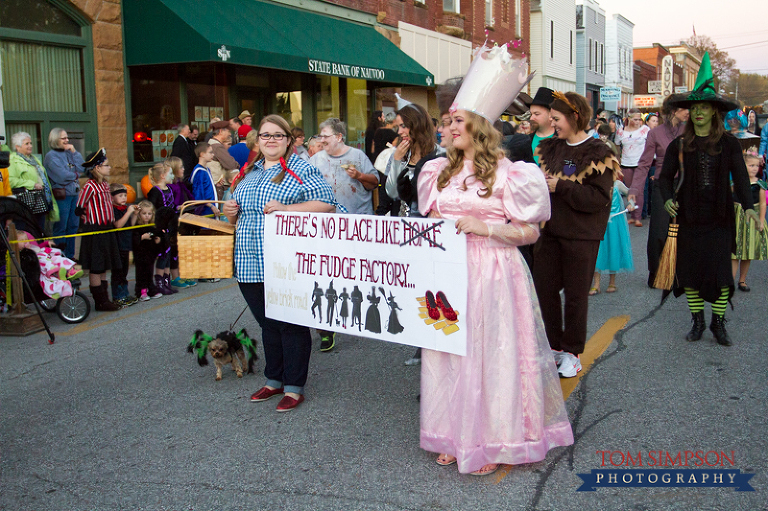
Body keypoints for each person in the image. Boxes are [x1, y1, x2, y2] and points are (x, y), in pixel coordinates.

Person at [416, 44, 572, 476]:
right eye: (447, 121)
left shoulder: (512, 174)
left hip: (494, 273)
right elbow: (430, 222)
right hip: (447, 273)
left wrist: (486, 228)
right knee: (447, 349)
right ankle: (452, 433)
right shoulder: (438, 172)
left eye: (457, 121)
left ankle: (494, 439)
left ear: (480, 127)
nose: (448, 128)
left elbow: (530, 231)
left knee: (493, 356)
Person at [222, 114, 342, 412]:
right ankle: (274, 379)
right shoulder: (248, 171)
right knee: (268, 324)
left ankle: (294, 386)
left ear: (288, 140)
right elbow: (236, 217)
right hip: (248, 261)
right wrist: (230, 211)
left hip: (286, 262)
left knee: (290, 323)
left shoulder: (301, 169)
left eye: (278, 135)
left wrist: (288, 208)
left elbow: (327, 204)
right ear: (258, 140)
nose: (271, 140)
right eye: (266, 135)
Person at [657, 52, 757, 347]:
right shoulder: (679, 144)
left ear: (715, 112)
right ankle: (698, 321)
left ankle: (718, 322)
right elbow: (664, 178)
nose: (698, 112)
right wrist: (666, 199)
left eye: (704, 107)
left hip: (719, 220)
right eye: (694, 107)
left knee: (722, 276)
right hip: (688, 219)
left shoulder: (729, 144)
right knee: (690, 275)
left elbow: (741, 178)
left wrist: (749, 207)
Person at [532, 91, 621, 378]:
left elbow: (598, 199)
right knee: (544, 290)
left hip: (582, 235)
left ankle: (572, 352)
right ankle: (553, 346)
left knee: (575, 296)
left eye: (556, 118)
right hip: (549, 232)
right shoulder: (550, 148)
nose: (552, 123)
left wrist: (561, 187)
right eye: (551, 118)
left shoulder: (599, 152)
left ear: (575, 117)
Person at [310, 117, 378, 351]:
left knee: (352, 275)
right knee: (324, 276)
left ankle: (359, 313)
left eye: (325, 136)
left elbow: (374, 183)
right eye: (319, 136)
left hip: (356, 225)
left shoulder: (357, 156)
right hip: (326, 228)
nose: (321, 140)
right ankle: (325, 329)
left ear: (339, 137)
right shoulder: (315, 160)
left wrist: (359, 176)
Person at [628, 95, 688, 287]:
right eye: (684, 108)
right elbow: (644, 164)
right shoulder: (655, 133)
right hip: (663, 185)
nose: (688, 112)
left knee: (684, 231)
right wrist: (635, 189)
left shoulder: (690, 130)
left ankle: (680, 273)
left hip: (686, 185)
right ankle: (656, 272)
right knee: (659, 231)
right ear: (673, 110)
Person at [75, 148, 123, 311]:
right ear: (97, 167)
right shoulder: (90, 186)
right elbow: (79, 207)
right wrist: (87, 219)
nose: (109, 168)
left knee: (104, 266)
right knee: (96, 267)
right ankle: (99, 301)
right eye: (106, 165)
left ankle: (105, 299)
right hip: (95, 230)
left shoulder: (105, 184)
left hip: (107, 228)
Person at [384, 102, 440, 217]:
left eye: (403, 126)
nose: (399, 132)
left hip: (431, 223)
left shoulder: (439, 154)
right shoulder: (398, 154)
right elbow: (391, 192)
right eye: (398, 127)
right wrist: (396, 161)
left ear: (417, 125)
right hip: (403, 222)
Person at [44, 128, 84, 258]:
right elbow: (62, 176)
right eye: (63, 138)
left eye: (67, 137)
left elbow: (82, 167)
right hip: (62, 195)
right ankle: (60, 257)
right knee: (61, 227)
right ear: (55, 139)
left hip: (74, 194)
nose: (67, 140)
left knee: (73, 226)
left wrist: (74, 152)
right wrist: (76, 174)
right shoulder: (51, 156)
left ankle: (70, 256)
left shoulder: (69, 153)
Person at [590, 178, 635, 295]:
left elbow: (629, 193)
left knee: (613, 249)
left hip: (614, 222)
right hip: (598, 222)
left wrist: (631, 203)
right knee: (597, 251)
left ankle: (612, 282)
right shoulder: (594, 182)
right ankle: (596, 284)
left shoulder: (617, 184)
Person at [732, 152, 768, 291]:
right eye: (751, 165)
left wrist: (761, 221)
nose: (754, 168)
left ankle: (742, 280)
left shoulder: (759, 185)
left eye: (756, 166)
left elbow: (763, 204)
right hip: (737, 217)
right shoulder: (735, 182)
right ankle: (730, 281)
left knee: (748, 252)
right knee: (735, 252)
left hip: (752, 219)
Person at [8, 131, 57, 231]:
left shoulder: (33, 159)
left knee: (39, 231)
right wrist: (32, 184)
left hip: (40, 202)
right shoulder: (12, 160)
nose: (30, 146)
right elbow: (11, 180)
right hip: (25, 204)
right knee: (27, 232)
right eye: (27, 144)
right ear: (17, 147)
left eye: (31, 143)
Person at [146, 162, 182, 294]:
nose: (173, 176)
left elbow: (170, 206)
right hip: (161, 228)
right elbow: (152, 209)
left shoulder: (169, 189)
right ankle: (159, 283)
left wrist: (177, 209)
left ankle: (167, 282)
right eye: (170, 174)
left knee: (169, 255)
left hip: (170, 227)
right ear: (162, 176)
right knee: (162, 255)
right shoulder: (154, 191)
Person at [615, 108, 651, 227]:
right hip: (626, 163)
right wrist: (618, 159)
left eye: (639, 119)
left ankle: (638, 216)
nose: (637, 122)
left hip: (640, 164)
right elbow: (617, 145)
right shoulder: (621, 131)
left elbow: (650, 145)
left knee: (639, 190)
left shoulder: (645, 129)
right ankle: (633, 213)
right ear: (628, 119)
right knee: (630, 190)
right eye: (635, 119)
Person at [110, 183, 139, 306]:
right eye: (120, 196)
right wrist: (128, 212)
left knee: (125, 271)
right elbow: (118, 225)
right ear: (112, 198)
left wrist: (135, 214)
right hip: (117, 245)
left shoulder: (125, 208)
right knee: (118, 272)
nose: (124, 198)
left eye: (125, 195)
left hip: (126, 244)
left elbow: (130, 225)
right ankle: (117, 296)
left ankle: (125, 294)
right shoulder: (113, 209)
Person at [132, 200, 164, 301]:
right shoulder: (137, 226)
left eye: (149, 214)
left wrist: (158, 240)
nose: (147, 216)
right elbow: (133, 240)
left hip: (150, 254)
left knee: (149, 272)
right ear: (139, 214)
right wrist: (142, 237)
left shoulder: (152, 226)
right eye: (144, 213)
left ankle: (151, 289)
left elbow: (156, 236)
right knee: (141, 273)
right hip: (140, 255)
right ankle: (141, 291)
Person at [207, 120, 240, 199]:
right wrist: (237, 165)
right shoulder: (217, 147)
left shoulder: (211, 144)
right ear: (221, 131)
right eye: (228, 131)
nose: (230, 134)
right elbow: (231, 164)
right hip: (219, 187)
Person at [190, 142, 219, 218]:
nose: (213, 155)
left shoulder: (206, 169)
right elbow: (198, 195)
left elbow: (205, 187)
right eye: (210, 152)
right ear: (202, 154)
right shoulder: (199, 171)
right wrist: (211, 206)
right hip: (205, 210)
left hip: (210, 208)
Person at [528, 87, 556, 164]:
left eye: (536, 114)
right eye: (531, 114)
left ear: (551, 115)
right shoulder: (525, 141)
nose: (531, 118)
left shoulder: (563, 140)